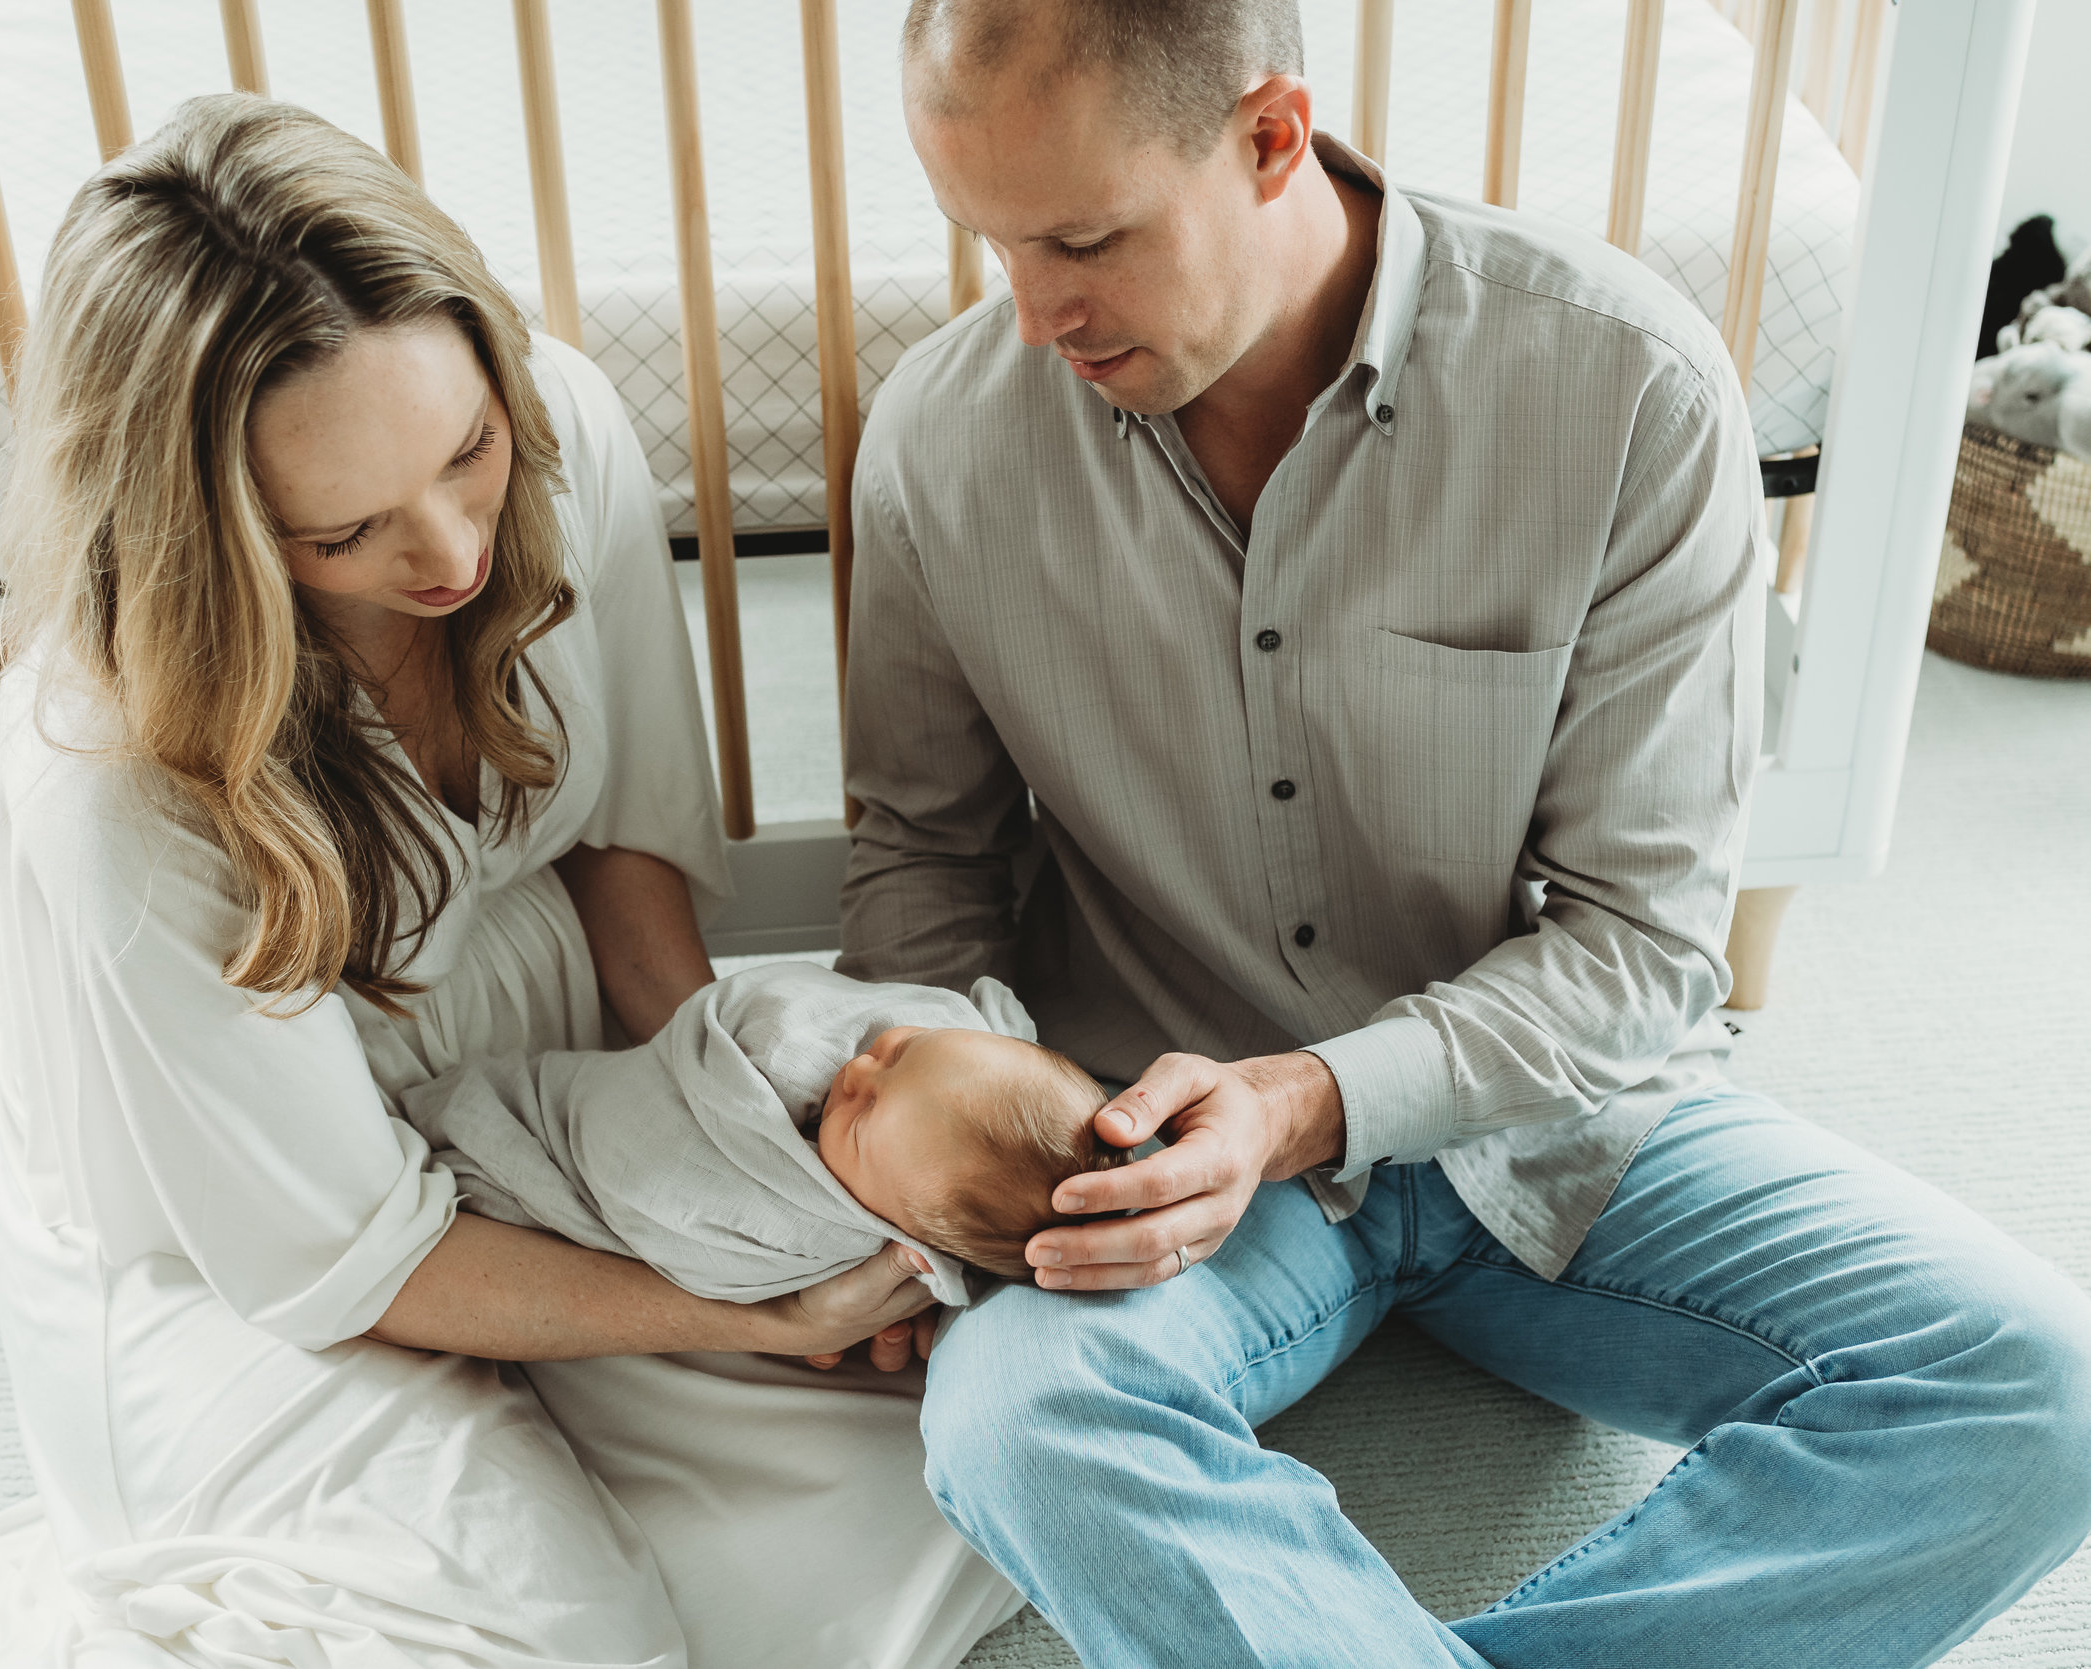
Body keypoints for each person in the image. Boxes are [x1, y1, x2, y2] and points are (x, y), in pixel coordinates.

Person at [837, 3, 2091, 1665]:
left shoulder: (1619, 385)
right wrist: (909, 1175)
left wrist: (1307, 1099)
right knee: (1015, 1431)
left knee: (2037, 1390)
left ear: (1274, 135)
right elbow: (922, 859)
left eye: (1084, 236)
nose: (1036, 307)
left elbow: (1643, 944)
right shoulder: (946, 437)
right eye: (993, 239)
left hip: (1552, 1116)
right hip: (1151, 1146)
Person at [0, 94, 1020, 1669]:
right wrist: (737, 1315)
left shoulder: (561, 426)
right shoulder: (115, 770)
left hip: (545, 1096)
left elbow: (622, 859)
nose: (457, 548)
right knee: (560, 1637)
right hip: (247, 1252)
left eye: (468, 453)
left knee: (935, 1465)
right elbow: (350, 1249)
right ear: (217, 540)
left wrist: (760, 1172)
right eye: (348, 531)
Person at [399, 958, 1115, 1299]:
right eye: (901, 1051)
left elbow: (674, 1203)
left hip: (564, 1169)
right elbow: (779, 1010)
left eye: (861, 1122)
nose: (855, 1074)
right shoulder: (959, 1050)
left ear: (904, 1230)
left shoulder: (824, 1227)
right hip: (579, 1087)